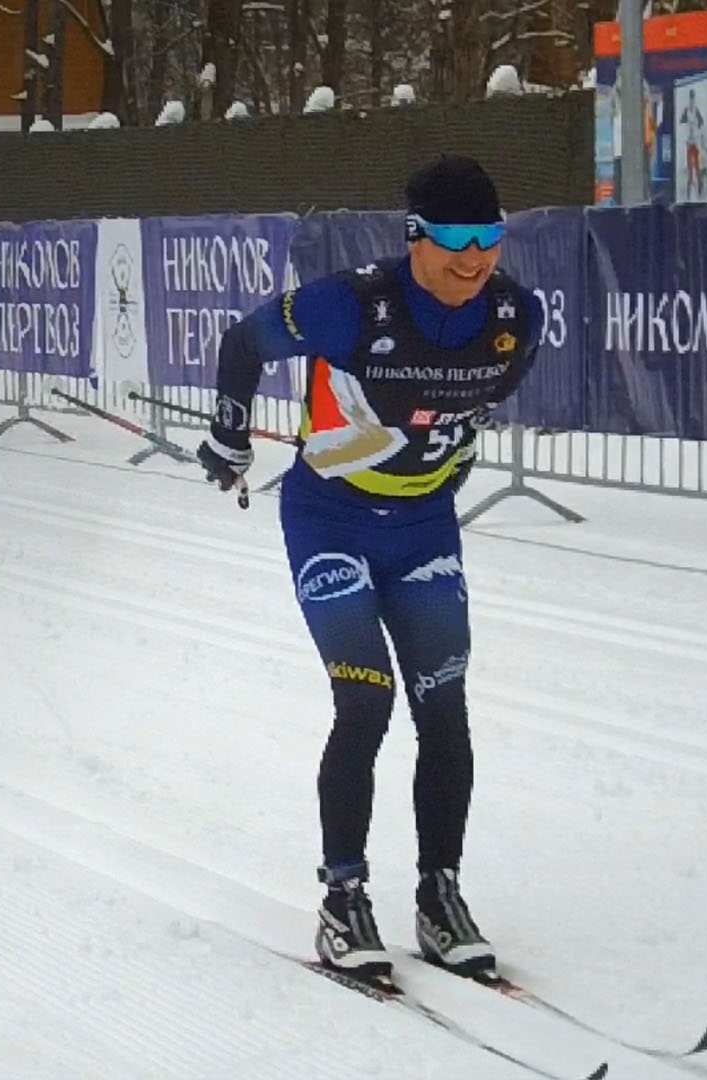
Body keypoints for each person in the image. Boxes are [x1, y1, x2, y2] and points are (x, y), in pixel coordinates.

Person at [196, 155, 543, 983]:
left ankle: (438, 894)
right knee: (365, 699)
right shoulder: (351, 305)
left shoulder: (514, 315)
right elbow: (244, 341)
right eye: (459, 239)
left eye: (492, 238)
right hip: (331, 523)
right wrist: (231, 435)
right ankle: (342, 898)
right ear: (417, 236)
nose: (476, 258)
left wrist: (440, 467)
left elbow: (483, 401)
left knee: (444, 709)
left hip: (423, 531)